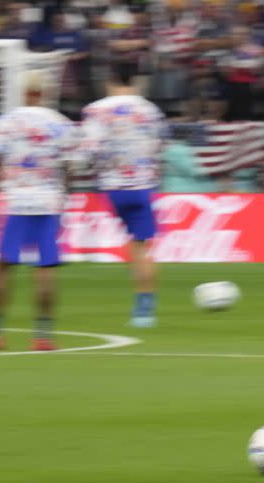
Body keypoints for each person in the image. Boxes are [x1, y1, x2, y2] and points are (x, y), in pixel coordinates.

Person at [0, 71, 76, 351]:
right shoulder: (60, 124)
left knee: (4, 267)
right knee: (45, 268)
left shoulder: (6, 123)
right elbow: (70, 164)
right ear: (45, 94)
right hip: (48, 201)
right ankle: (43, 336)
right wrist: (63, 190)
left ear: (23, 92)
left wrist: (4, 179)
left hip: (16, 199)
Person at [80, 61, 165, 327]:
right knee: (142, 246)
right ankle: (144, 309)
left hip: (113, 187)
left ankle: (142, 304)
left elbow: (88, 150)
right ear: (136, 81)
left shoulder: (95, 111)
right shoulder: (151, 111)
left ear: (111, 80)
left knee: (134, 243)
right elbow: (158, 145)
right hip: (141, 186)